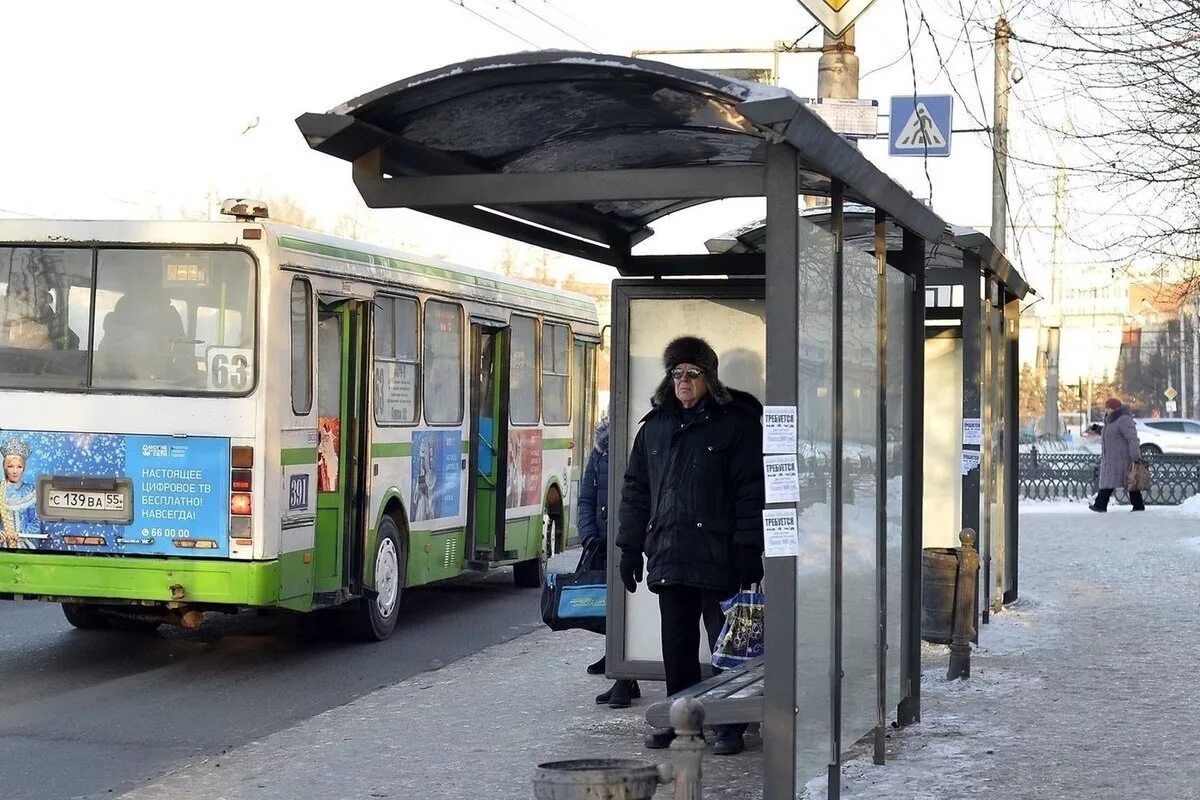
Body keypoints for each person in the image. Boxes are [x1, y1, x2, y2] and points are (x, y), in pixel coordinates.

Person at [617, 336, 765, 756]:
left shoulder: (735, 424)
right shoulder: (655, 426)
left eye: (692, 374)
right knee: (677, 646)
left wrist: (747, 550)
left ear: (709, 378)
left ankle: (729, 725)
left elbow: (751, 492)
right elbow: (635, 491)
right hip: (669, 554)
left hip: (720, 558)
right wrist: (629, 547)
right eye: (677, 373)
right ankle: (680, 722)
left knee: (727, 647)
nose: (683, 381)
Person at [577, 414, 641, 708]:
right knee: (608, 606)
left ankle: (624, 678)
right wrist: (589, 535)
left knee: (628, 608)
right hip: (602, 543)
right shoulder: (601, 447)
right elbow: (586, 498)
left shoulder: (638, 444)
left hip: (629, 543)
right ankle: (615, 658)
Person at [1090, 397, 1145, 512]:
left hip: (1122, 458)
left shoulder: (1124, 419)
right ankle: (1138, 506)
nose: (1105, 410)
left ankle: (1100, 505)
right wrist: (1098, 429)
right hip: (1112, 458)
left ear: (1113, 408)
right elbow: (1111, 433)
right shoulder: (1111, 420)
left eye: (1107, 407)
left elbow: (1132, 439)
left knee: (1129, 482)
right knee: (1124, 483)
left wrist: (1135, 456)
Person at [0, 438, 40, 549]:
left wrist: (22, 534)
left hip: (24, 548)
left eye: (19, 467)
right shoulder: (0, 490)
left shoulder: (30, 491)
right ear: (5, 467)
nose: (14, 471)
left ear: (24, 468)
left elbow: (35, 523)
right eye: (10, 466)